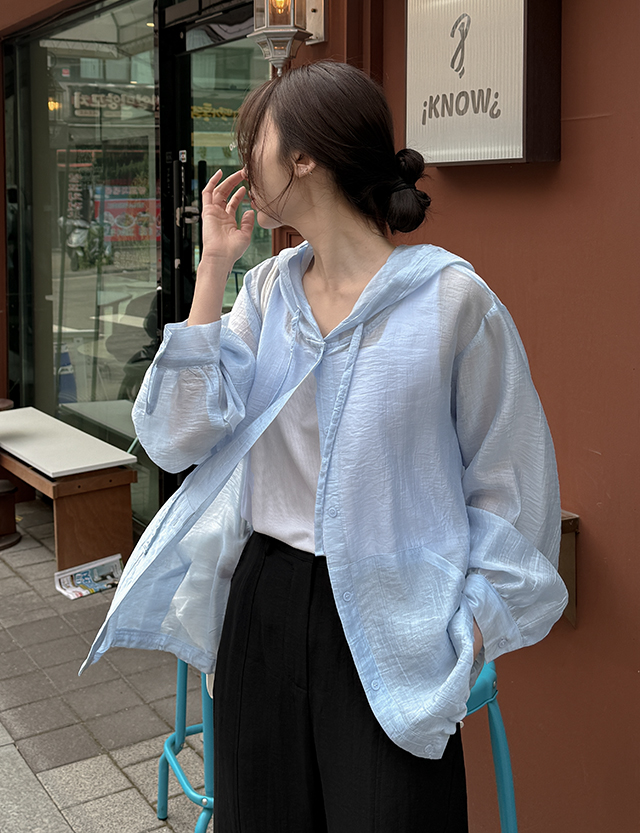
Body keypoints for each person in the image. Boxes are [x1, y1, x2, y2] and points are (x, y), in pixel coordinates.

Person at [82, 61, 568, 832]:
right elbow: (174, 435)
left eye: (257, 139)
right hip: (265, 597)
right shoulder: (267, 291)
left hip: (395, 612)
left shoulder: (451, 302)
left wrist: (465, 632)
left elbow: (514, 487)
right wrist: (214, 265)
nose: (244, 160)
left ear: (304, 156)